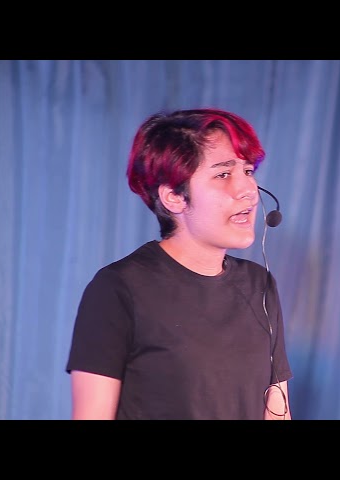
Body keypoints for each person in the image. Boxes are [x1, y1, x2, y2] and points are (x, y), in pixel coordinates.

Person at [66, 108, 293, 420]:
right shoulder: (119, 288)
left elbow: (277, 410)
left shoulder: (259, 284)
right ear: (174, 197)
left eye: (248, 171)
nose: (249, 191)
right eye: (223, 174)